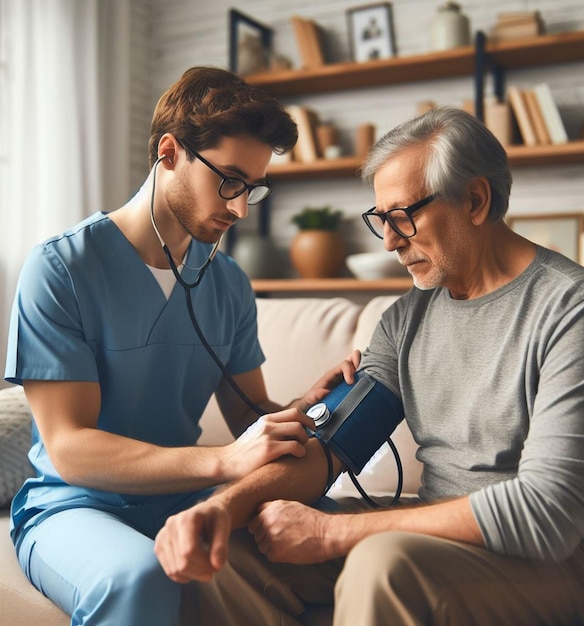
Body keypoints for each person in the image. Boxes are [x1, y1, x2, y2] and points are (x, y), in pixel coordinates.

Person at [154, 106, 584, 625]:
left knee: (382, 562)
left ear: (475, 200)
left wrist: (334, 532)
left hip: (573, 558)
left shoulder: (572, 306)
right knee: (234, 551)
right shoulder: (406, 318)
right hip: (437, 542)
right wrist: (223, 507)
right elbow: (329, 449)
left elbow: (549, 514)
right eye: (380, 219)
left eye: (403, 216)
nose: (389, 241)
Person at [4, 66, 360, 625]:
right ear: (169, 152)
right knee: (138, 576)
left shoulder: (230, 283)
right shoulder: (59, 270)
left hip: (185, 499)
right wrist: (224, 460)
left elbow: (247, 413)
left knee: (340, 539)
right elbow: (70, 447)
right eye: (229, 181)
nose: (241, 209)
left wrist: (297, 408)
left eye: (253, 189)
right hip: (74, 505)